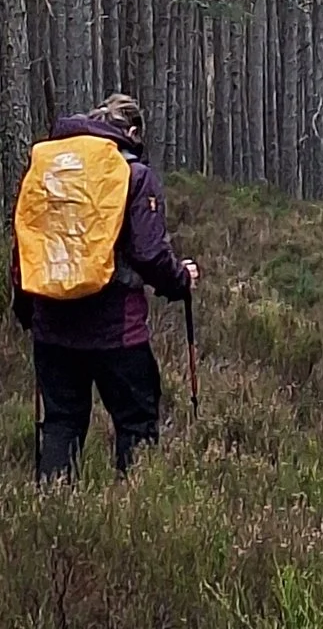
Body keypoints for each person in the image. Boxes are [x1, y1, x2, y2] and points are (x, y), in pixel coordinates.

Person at [12, 90, 199, 484]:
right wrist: (181, 279)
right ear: (131, 131)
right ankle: (134, 519)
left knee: (61, 423)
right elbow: (149, 254)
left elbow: (26, 247)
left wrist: (27, 311)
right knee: (135, 425)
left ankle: (51, 519)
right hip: (117, 332)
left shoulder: (50, 170)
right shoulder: (135, 175)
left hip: (52, 327)